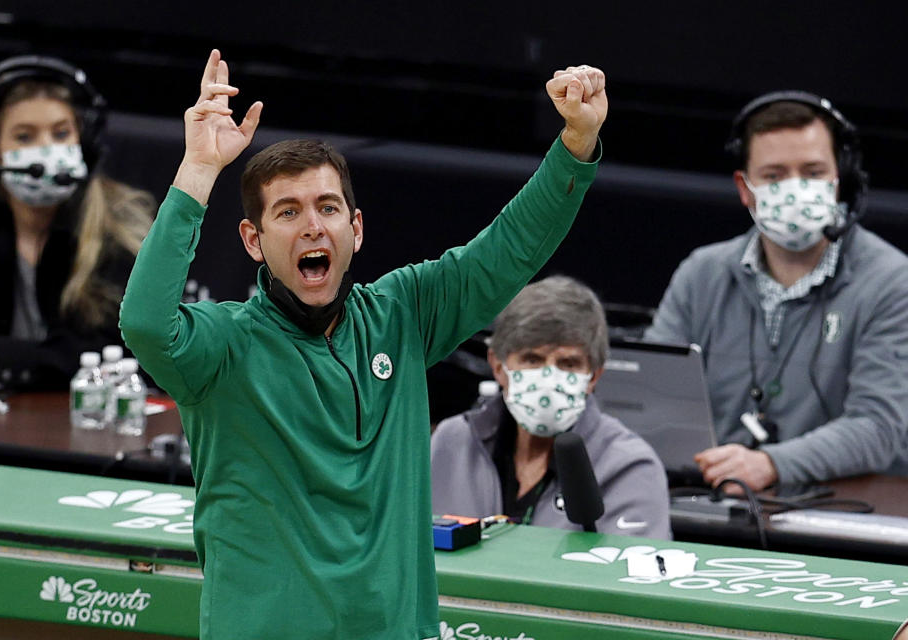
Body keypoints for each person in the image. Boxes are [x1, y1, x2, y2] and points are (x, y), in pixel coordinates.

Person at [119, 49, 607, 640]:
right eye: (288, 212)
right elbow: (144, 322)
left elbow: (508, 250)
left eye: (327, 208)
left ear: (355, 229)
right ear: (253, 239)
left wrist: (575, 144)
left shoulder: (401, 314)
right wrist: (197, 171)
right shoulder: (222, 346)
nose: (312, 227)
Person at [645, 91, 908, 491]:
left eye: (813, 172)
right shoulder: (701, 274)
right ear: (745, 188)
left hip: (840, 524)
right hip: (707, 508)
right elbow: (652, 398)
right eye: (774, 176)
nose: (794, 190)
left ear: (841, 181)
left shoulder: (893, 282)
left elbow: (880, 427)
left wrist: (771, 464)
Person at [0, 55, 154, 389]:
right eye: (24, 137)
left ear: (83, 144)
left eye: (61, 133)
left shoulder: (122, 234)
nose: (46, 152)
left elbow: (113, 355)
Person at [431, 275, 671, 539]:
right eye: (532, 359)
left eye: (568, 364)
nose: (548, 380)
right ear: (498, 366)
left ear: (593, 376)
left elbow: (632, 576)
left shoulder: (630, 467)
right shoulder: (451, 443)